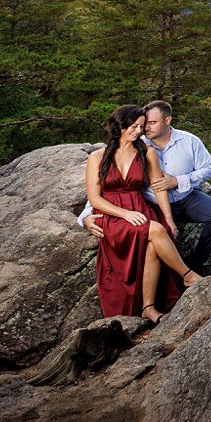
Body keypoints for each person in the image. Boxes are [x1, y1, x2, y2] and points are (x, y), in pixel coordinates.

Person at [80, 100, 211, 269]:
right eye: (144, 124)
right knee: (156, 236)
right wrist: (85, 216)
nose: (145, 129)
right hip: (152, 203)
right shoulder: (137, 143)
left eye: (151, 123)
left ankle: (197, 262)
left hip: (185, 198)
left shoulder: (189, 141)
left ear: (167, 121)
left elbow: (209, 169)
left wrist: (178, 180)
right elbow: (108, 184)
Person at [87, 104, 201, 321]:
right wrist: (124, 214)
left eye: (141, 127)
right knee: (156, 230)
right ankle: (187, 275)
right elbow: (95, 198)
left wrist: (169, 219)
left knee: (153, 244)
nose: (137, 131)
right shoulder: (97, 157)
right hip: (113, 216)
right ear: (119, 125)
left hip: (139, 208)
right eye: (133, 126)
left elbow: (158, 188)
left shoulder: (147, 152)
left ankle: (148, 307)